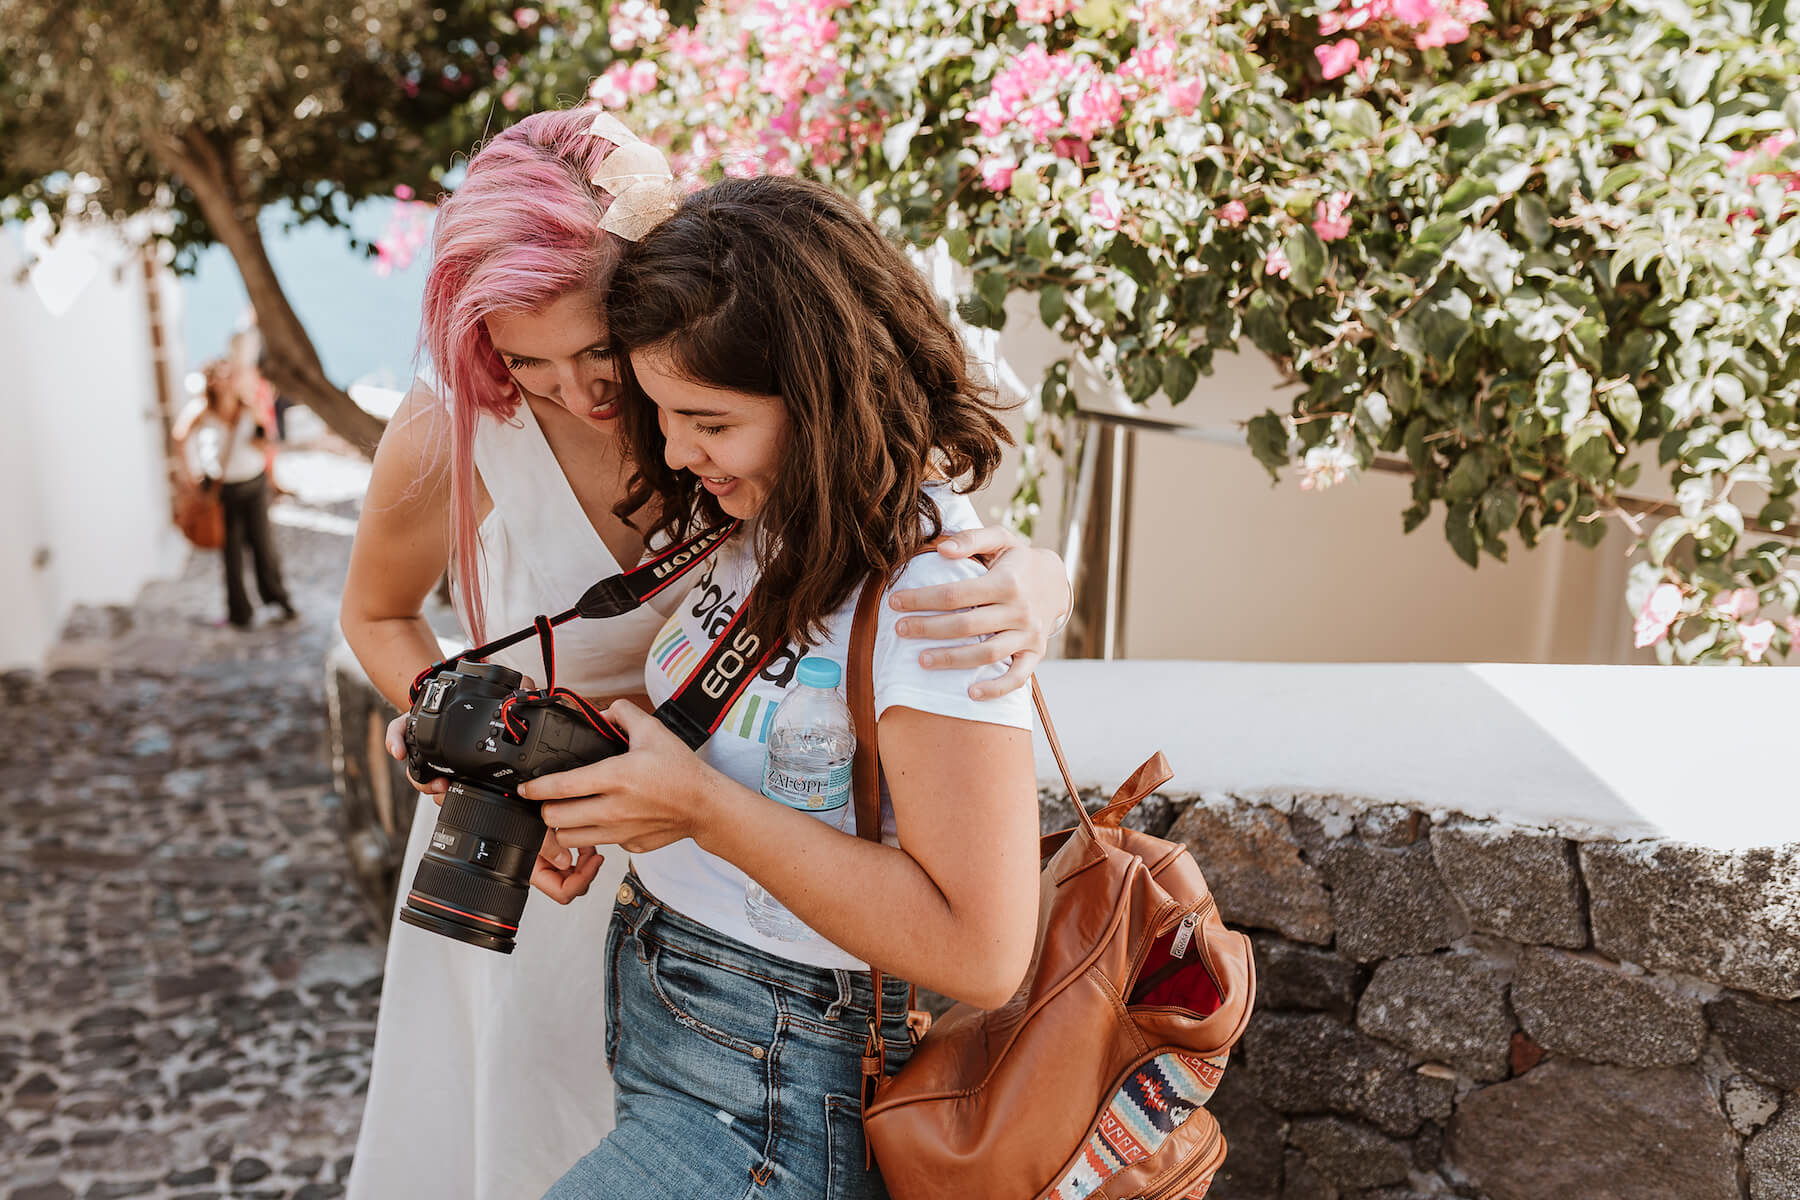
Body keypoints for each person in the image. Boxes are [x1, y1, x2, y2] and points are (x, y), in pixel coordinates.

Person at [336, 108, 1070, 1200]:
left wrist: (1034, 580)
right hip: (568, 834)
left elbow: (901, 524)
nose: (584, 394)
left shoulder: (729, 391)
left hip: (729, 872)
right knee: (515, 1131)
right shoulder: (481, 424)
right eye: (525, 359)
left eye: (599, 352)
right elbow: (378, 615)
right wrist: (481, 742)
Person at [528, 173, 1045, 1199]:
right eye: (666, 414)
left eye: (708, 420)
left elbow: (981, 951)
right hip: (681, 1028)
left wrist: (698, 810)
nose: (679, 451)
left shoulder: (932, 595)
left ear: (818, 395)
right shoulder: (769, 524)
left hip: (784, 1085)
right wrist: (599, 782)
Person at [178, 359, 297, 629]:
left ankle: (278, 601)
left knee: (263, 547)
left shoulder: (248, 407)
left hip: (253, 486)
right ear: (211, 382)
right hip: (224, 492)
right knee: (231, 553)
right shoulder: (202, 411)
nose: (228, 381)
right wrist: (190, 475)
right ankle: (239, 612)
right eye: (221, 376)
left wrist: (262, 446)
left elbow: (266, 439)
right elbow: (179, 437)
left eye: (230, 375)